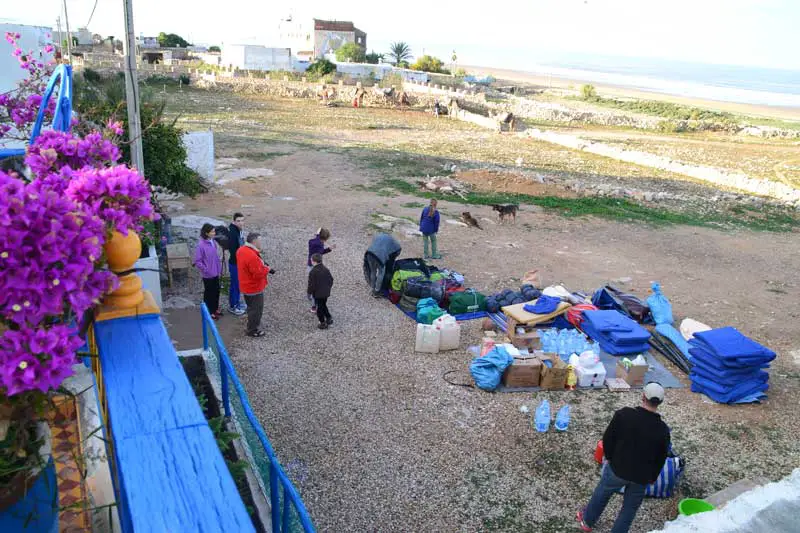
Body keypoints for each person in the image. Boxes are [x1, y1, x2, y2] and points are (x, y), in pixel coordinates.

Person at [577, 382, 671, 533]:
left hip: (617, 468)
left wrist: (609, 457)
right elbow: (661, 457)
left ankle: (587, 521)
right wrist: (652, 476)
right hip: (641, 477)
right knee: (629, 510)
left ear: (643, 396)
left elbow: (608, 438)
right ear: (660, 402)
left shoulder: (624, 414)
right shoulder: (663, 430)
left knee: (602, 493)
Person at [236, 233, 274, 337]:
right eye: (260, 241)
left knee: (251, 307)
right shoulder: (252, 255)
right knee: (256, 309)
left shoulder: (241, 250)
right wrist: (267, 269)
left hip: (245, 285)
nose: (261, 243)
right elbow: (258, 274)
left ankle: (251, 324)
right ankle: (252, 330)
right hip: (253, 287)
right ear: (254, 241)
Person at [193, 223, 223, 319]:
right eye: (212, 231)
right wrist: (206, 270)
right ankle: (209, 312)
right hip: (208, 275)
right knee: (209, 293)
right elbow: (197, 261)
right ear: (206, 233)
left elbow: (214, 256)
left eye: (214, 231)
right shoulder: (201, 245)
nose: (214, 233)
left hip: (215, 272)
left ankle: (215, 309)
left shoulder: (213, 242)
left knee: (216, 291)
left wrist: (218, 266)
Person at [307, 228, 335, 313]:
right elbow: (320, 252)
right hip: (316, 265)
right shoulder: (319, 244)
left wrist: (328, 248)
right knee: (315, 285)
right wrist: (328, 248)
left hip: (310, 264)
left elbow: (319, 250)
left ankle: (313, 303)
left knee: (313, 283)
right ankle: (314, 305)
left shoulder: (313, 242)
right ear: (325, 239)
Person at [307, 253, 334, 329]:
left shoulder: (313, 272)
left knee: (319, 309)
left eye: (311, 260)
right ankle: (328, 317)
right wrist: (328, 287)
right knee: (323, 304)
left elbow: (311, 285)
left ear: (314, 261)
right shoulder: (326, 269)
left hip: (318, 294)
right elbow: (331, 280)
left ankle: (322, 323)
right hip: (326, 292)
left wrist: (309, 293)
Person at [227, 213, 246, 316]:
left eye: (242, 220)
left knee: (238, 285)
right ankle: (233, 306)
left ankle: (237, 303)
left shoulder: (238, 231)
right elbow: (234, 250)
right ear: (234, 221)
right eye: (238, 221)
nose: (240, 223)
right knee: (235, 285)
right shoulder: (233, 233)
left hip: (238, 263)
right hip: (235, 264)